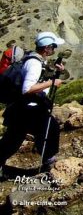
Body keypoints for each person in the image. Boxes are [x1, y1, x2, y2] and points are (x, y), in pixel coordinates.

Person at [0, 31, 66, 176]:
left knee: (13, 138)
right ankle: (50, 162)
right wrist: (52, 82)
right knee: (50, 127)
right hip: (28, 107)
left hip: (21, 107)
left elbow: (37, 79)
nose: (54, 49)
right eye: (53, 46)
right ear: (46, 47)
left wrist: (55, 73)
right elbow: (27, 89)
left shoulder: (34, 59)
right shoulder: (34, 63)